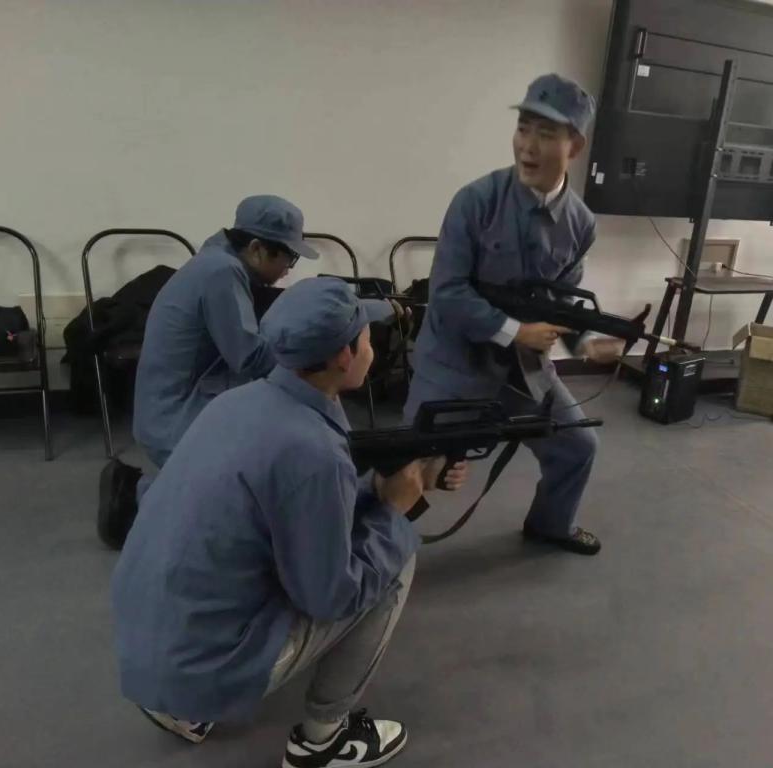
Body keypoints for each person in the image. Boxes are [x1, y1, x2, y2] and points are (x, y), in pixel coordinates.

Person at [111, 277, 466, 767]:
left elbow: (299, 506)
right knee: (394, 559)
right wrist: (395, 511)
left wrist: (389, 488)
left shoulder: (236, 402)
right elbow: (332, 596)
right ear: (344, 355)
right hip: (202, 663)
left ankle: (180, 709)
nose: (373, 348)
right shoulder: (313, 450)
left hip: (150, 641)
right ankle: (324, 741)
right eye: (368, 338)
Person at [406, 73, 622, 556]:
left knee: (577, 446)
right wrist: (514, 330)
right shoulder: (475, 201)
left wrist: (586, 342)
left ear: (574, 146)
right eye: (524, 128)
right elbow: (447, 293)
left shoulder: (581, 224)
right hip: (454, 365)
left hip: (522, 373)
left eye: (545, 133)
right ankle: (366, 556)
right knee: (409, 467)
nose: (528, 145)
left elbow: (561, 303)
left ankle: (551, 524)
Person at [97, 195, 316, 549]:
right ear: (256, 248)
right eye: (289, 256)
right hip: (175, 419)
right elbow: (250, 357)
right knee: (244, 512)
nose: (289, 268)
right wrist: (317, 344)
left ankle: (158, 488)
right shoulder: (222, 273)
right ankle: (137, 496)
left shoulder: (216, 261)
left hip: (172, 405)